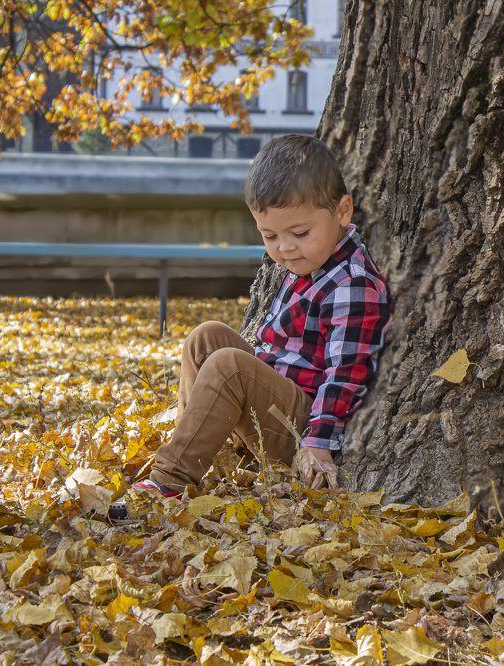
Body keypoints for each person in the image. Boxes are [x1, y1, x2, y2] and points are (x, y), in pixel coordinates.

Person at [127, 134, 393, 504]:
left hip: (302, 426)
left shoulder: (352, 284)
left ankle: (168, 480)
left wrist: (317, 443)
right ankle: (196, 443)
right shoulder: (310, 263)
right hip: (274, 398)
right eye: (269, 235)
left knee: (229, 366)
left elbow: (345, 375)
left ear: (342, 211)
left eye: (300, 233)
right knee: (207, 337)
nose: (284, 247)